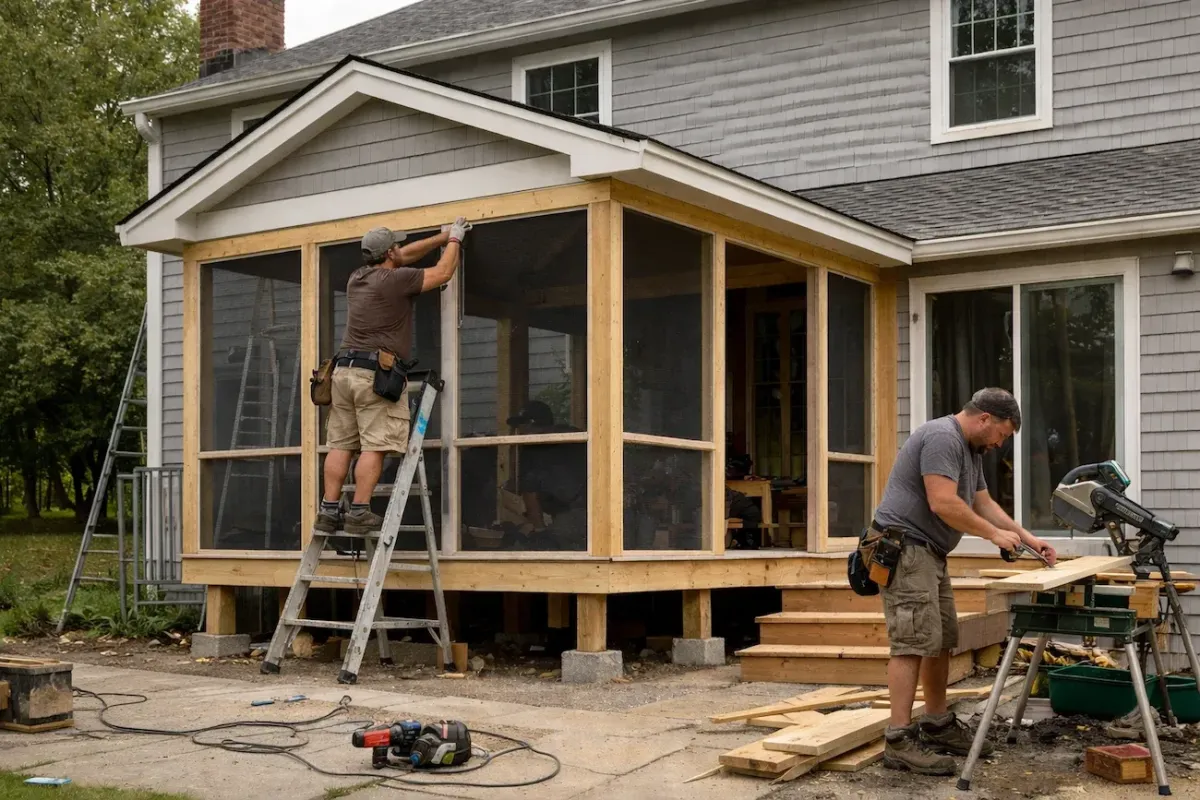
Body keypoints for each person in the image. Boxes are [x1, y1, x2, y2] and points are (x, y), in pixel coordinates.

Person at [871, 387, 1058, 775]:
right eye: (1002, 434)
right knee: (910, 642)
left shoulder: (972, 450)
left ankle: (936, 724)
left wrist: (1025, 537)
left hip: (930, 552)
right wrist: (992, 536)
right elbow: (942, 501)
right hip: (904, 549)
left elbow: (981, 502)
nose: (1000, 443)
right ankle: (899, 740)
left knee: (938, 639)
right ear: (984, 418)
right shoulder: (943, 437)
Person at [315, 218, 472, 535]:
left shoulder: (357, 277)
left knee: (340, 444)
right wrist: (454, 241)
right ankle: (359, 511)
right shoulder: (395, 280)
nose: (399, 251)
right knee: (375, 445)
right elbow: (442, 273)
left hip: (342, 372)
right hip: (374, 374)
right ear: (389, 252)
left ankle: (329, 512)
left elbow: (403, 255)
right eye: (395, 248)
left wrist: (439, 236)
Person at [505, 401, 586, 550]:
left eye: (520, 426)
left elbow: (530, 493)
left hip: (567, 518)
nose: (518, 432)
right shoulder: (577, 437)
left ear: (530, 424)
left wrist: (539, 530)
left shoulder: (533, 448)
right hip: (599, 513)